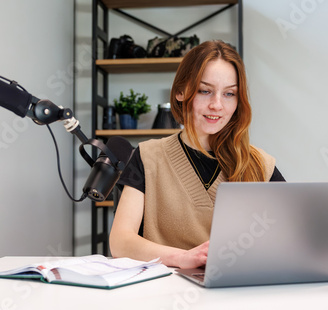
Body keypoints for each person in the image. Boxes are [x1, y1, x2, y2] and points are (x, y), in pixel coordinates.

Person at [109, 40, 285, 269]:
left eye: (229, 94)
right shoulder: (147, 156)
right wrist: (182, 258)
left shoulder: (260, 164)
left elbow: (293, 237)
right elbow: (120, 242)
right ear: (181, 92)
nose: (217, 105)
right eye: (205, 91)